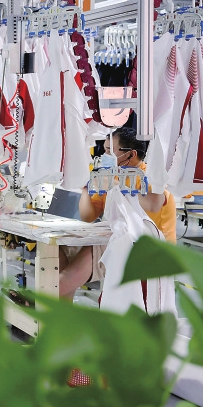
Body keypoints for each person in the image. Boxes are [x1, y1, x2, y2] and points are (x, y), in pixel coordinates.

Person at [59, 126, 177, 301]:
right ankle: (60, 305)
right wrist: (85, 188)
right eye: (104, 149)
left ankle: (45, 295)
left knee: (64, 280)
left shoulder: (150, 176)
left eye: (109, 151)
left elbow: (154, 204)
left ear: (131, 154)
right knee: (62, 248)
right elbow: (88, 216)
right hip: (118, 241)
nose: (105, 155)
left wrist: (117, 185)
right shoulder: (111, 176)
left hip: (150, 250)